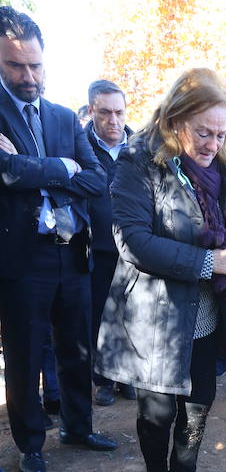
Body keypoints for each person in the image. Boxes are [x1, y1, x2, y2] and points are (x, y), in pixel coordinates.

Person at [96, 68, 226, 472]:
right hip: (156, 311)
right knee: (157, 410)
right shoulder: (139, 161)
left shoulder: (222, 168)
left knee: (199, 402)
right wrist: (210, 262)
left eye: (220, 133)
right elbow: (132, 240)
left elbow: (223, 228)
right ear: (174, 120)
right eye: (202, 132)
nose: (212, 143)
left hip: (205, 310)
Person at [0, 6, 117, 472]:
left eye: (36, 65)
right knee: (26, 356)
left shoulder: (65, 117)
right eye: (16, 66)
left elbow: (95, 178)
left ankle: (78, 427)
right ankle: (31, 444)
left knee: (77, 347)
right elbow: (4, 173)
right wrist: (61, 167)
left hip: (72, 252)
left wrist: (37, 171)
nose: (29, 76)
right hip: (21, 260)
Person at [85, 79, 135, 406]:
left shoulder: (139, 150)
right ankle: (103, 379)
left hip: (136, 252)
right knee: (100, 317)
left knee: (132, 316)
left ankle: (127, 376)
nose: (113, 120)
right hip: (98, 251)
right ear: (92, 111)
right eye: (105, 113)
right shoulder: (80, 146)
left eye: (118, 112)